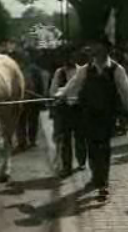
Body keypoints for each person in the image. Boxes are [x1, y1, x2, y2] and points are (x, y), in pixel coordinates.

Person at [56, 37, 128, 202]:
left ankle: (103, 184)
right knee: (92, 148)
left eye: (98, 49)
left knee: (104, 149)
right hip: (88, 115)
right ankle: (95, 176)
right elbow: (73, 85)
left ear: (106, 50)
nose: (95, 52)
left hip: (107, 117)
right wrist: (59, 95)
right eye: (94, 49)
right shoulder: (86, 70)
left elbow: (127, 92)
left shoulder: (116, 69)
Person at [50, 47, 87, 178]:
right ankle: (67, 166)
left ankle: (82, 161)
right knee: (65, 139)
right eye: (66, 58)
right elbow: (53, 90)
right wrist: (58, 96)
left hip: (79, 109)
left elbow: (85, 89)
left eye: (70, 57)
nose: (68, 60)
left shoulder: (81, 71)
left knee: (80, 137)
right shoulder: (59, 73)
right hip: (65, 110)